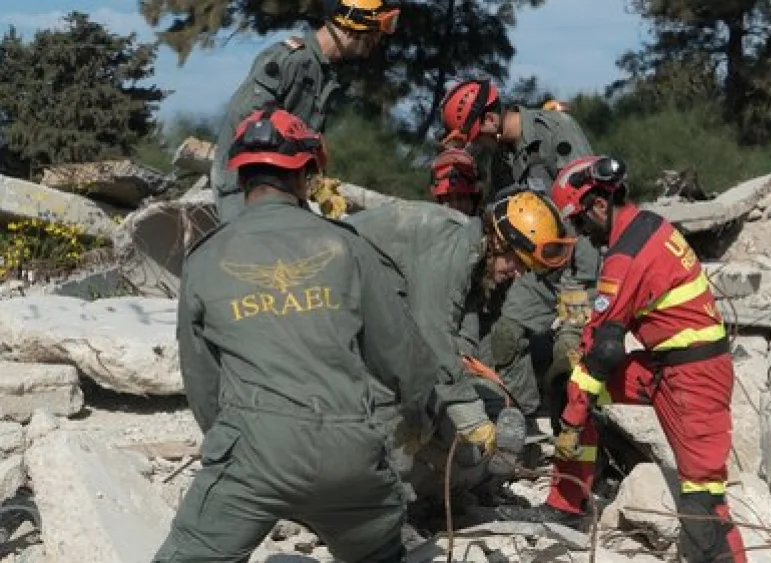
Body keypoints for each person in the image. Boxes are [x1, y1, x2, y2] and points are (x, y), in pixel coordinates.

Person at [153, 108, 436, 563]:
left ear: (241, 177)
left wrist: (228, 445)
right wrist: (415, 422)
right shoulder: (346, 245)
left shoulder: (205, 259)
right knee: (382, 554)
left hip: (254, 453)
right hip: (350, 452)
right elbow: (403, 359)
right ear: (306, 174)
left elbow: (202, 381)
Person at [498, 155, 748, 563]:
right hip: (666, 368)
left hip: (694, 380)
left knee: (704, 504)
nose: (580, 233)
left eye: (580, 222)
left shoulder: (625, 256)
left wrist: (573, 424)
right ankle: (566, 507)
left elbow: (606, 349)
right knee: (569, 387)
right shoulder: (648, 225)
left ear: (599, 204)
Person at [343, 190, 576, 498]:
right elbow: (431, 337)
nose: (518, 274)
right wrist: (473, 421)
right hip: (334, 299)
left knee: (450, 398)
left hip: (367, 305)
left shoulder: (474, 257)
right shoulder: (451, 249)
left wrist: (472, 391)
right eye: (518, 263)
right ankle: (381, 509)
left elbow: (459, 339)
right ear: (500, 242)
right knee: (397, 399)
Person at [439, 79, 600, 420]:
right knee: (504, 336)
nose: (478, 146)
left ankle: (585, 421)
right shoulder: (501, 161)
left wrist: (581, 283)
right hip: (538, 270)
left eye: (476, 136)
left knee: (571, 348)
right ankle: (525, 419)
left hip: (578, 265)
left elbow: (591, 206)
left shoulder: (555, 130)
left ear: (490, 121)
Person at [211, 0, 400, 223]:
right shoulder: (290, 61)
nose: (374, 44)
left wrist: (314, 181)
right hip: (246, 189)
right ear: (353, 28)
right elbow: (248, 127)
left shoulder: (324, 74)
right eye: (373, 35)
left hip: (284, 190)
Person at [428, 147, 482, 216]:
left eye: (461, 197)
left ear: (473, 200)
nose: (456, 206)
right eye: (448, 199)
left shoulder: (489, 224)